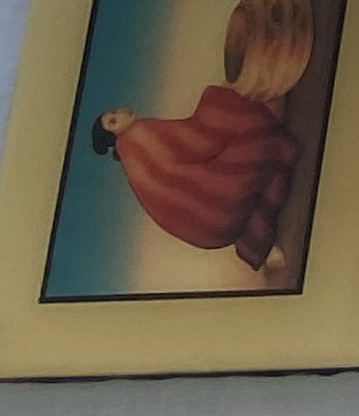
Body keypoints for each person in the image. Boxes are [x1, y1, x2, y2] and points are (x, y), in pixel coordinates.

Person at [92, 82, 302, 276]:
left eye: (114, 111)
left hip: (209, 225)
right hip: (218, 203)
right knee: (248, 134)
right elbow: (195, 142)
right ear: (113, 135)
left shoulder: (131, 156)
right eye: (113, 121)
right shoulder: (138, 135)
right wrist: (215, 100)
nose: (120, 113)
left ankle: (263, 248)